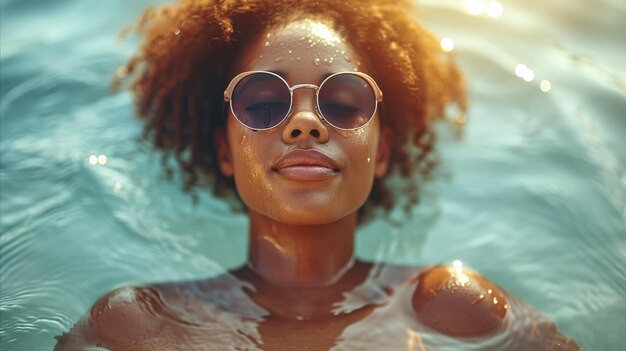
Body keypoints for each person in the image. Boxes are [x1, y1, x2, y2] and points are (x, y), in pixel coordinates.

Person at [55, 0, 580, 350]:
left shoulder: (449, 305)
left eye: (343, 102)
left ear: (381, 151)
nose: (304, 124)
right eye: (262, 103)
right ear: (224, 150)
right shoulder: (136, 325)